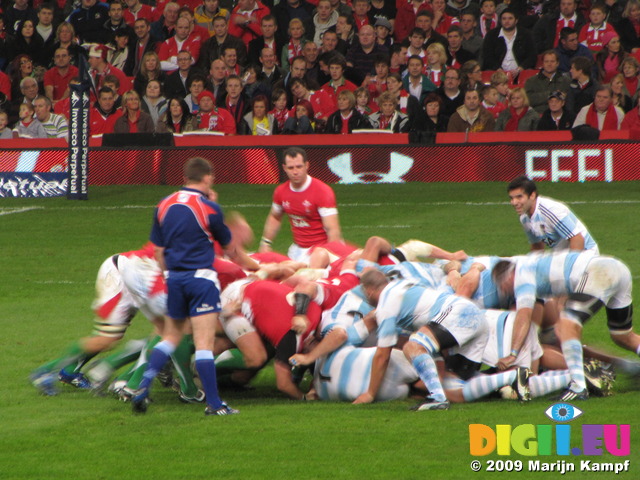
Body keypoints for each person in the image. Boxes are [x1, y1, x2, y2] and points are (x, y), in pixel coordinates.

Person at [130, 157, 239, 416]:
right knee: (204, 343)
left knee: (170, 337)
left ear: (185, 177)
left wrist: (169, 275)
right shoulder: (208, 207)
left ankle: (143, 386)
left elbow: (158, 250)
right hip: (201, 280)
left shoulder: (163, 205)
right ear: (208, 177)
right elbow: (227, 245)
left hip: (175, 280)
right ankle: (214, 404)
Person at [492, 251, 640, 400]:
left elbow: (524, 315)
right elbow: (562, 281)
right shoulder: (532, 266)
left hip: (600, 272)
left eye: (502, 286)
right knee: (623, 336)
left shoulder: (520, 278)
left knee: (568, 323)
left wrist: (513, 353)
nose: (504, 291)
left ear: (507, 277)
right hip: (618, 269)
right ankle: (633, 367)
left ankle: (578, 387)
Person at [30, 243, 165, 396]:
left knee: (164, 329)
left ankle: (70, 371)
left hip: (140, 278)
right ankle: (45, 372)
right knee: (107, 338)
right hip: (121, 275)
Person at [352, 269, 487, 410]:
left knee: (412, 346)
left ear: (369, 291)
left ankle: (437, 399)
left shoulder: (386, 303)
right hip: (475, 316)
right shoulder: (402, 286)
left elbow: (382, 355)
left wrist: (370, 394)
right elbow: (432, 346)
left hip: (459, 313)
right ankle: (508, 378)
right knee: (456, 390)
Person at [259, 146, 342, 263]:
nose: (295, 172)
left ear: (307, 165)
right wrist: (265, 242)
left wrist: (331, 257)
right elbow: (275, 216)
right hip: (298, 249)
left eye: (299, 167)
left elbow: (332, 229)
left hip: (321, 249)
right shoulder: (281, 191)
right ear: (284, 168)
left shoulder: (322, 191)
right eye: (291, 168)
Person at [507, 175, 599, 252]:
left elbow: (577, 239)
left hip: (585, 254)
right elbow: (537, 246)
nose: (514, 202)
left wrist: (571, 268)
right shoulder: (524, 218)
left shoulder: (550, 210)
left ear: (532, 195)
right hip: (562, 257)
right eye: (512, 198)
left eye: (519, 197)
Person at [481, 9, 537, 74]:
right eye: (504, 19)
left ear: (516, 20)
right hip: (497, 72)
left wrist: (520, 68)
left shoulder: (526, 34)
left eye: (510, 18)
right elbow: (487, 56)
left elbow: (532, 56)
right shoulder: (491, 35)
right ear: (500, 21)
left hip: (521, 71)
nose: (507, 21)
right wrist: (497, 69)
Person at [524, 50, 571, 114]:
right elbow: (527, 99)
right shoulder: (531, 81)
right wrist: (550, 94)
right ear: (542, 63)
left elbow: (570, 100)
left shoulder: (566, 81)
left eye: (552, 61)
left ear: (557, 63)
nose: (549, 64)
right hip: (537, 115)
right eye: (546, 61)